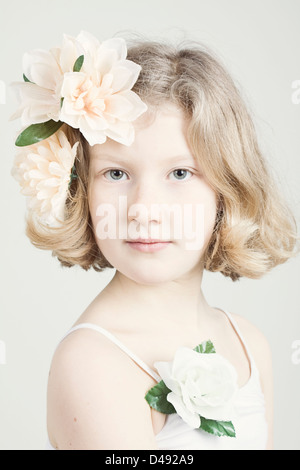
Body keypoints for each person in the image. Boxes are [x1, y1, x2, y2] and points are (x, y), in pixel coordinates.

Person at [11, 31, 298, 450]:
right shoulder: (93, 361)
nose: (144, 209)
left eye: (180, 173)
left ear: (227, 189)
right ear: (81, 189)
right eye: (116, 174)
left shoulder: (248, 343)